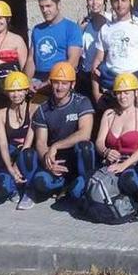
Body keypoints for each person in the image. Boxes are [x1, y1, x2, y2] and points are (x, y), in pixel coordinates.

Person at [93, 73, 138, 223]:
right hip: (110, 162)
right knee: (78, 189)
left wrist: (123, 165)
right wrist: (106, 151)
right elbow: (99, 142)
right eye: (119, 93)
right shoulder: (109, 114)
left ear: (135, 93)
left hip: (132, 162)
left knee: (129, 180)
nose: (122, 97)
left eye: (126, 92)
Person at [31, 62, 96, 200]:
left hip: (76, 156)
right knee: (40, 182)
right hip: (57, 160)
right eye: (56, 83)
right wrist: (47, 161)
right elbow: (41, 142)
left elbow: (85, 134)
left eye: (64, 83)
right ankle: (61, 186)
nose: (59, 87)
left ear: (72, 84)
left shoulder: (82, 102)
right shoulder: (43, 109)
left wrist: (55, 146)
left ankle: (85, 185)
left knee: (86, 147)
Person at [91, 0, 138, 109]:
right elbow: (97, 62)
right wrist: (96, 92)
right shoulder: (105, 29)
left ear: (130, 2)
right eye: (116, 1)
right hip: (112, 86)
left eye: (123, 0)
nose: (119, 4)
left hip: (135, 85)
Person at [0, 71, 40, 210]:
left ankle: (29, 191)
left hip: (28, 155)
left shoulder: (34, 109)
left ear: (26, 90)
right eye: (12, 91)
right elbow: (3, 145)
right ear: (6, 92)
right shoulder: (0, 115)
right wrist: (11, 169)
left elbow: (28, 143)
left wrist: (17, 165)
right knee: (2, 186)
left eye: (19, 90)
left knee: (28, 154)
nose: (16, 94)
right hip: (10, 155)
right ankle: (14, 189)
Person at [24, 0, 82, 91]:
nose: (45, 10)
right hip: (37, 80)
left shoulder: (71, 28)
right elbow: (31, 59)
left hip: (60, 80)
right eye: (41, 7)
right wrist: (27, 82)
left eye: (48, 6)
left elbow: (73, 62)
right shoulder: (37, 30)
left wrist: (48, 82)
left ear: (58, 5)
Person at [77, 0, 113, 100]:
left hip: (106, 75)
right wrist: (78, 30)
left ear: (104, 1)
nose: (94, 2)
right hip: (87, 75)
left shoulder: (112, 21)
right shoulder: (83, 24)